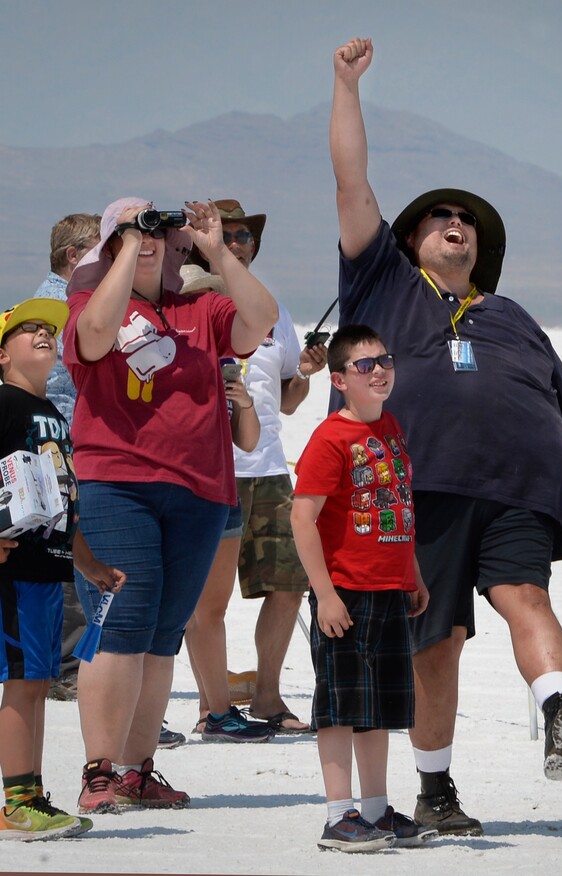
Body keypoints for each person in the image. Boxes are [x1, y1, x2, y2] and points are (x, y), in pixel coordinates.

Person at [329, 37, 562, 836]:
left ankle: (559, 706)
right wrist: (346, 87)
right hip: (422, 490)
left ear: (481, 251)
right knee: (439, 642)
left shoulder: (511, 316)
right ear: (413, 238)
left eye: (467, 222)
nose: (456, 225)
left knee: (527, 595)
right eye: (440, 217)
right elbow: (352, 185)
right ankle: (436, 789)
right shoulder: (383, 282)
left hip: (523, 491)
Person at [62, 197, 278, 815]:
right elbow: (97, 337)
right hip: (117, 484)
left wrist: (214, 249)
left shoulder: (200, 308)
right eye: (128, 232)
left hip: (200, 490)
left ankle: (137, 770)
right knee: (121, 625)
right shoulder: (89, 303)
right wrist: (128, 246)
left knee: (161, 637)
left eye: (156, 230)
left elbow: (258, 320)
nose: (148, 238)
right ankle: (99, 771)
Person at [291, 324, 434, 852]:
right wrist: (324, 594)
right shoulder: (330, 438)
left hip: (390, 586)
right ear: (338, 380)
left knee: (379, 709)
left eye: (385, 361)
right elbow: (302, 519)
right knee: (342, 705)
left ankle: (375, 811)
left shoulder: (391, 427)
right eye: (364, 365)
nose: (379, 371)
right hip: (344, 592)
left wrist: (412, 572)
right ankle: (338, 815)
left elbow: (400, 505)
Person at [190, 199, 327, 735]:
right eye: (227, 234)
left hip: (268, 468)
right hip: (209, 470)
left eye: (245, 236)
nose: (238, 243)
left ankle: (268, 697)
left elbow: (288, 399)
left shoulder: (273, 310)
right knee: (208, 600)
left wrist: (308, 372)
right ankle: (212, 705)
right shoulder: (189, 302)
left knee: (290, 583)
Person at [0, 298, 125, 841]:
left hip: (49, 567)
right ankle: (15, 802)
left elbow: (58, 498)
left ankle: (31, 794)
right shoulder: (3, 404)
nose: (43, 334)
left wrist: (88, 560)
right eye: (28, 330)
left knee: (39, 680)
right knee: (22, 681)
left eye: (49, 328)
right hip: (15, 569)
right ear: (2, 354)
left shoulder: (51, 412)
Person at [179, 263, 273, 743]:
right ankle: (208, 710)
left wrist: (241, 400)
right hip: (184, 491)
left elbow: (249, 442)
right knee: (180, 610)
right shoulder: (173, 357)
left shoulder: (229, 361)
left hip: (223, 488)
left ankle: (215, 711)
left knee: (210, 610)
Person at [32, 213, 101, 704]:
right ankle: (68, 665)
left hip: (57, 445)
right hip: (64, 447)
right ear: (74, 257)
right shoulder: (60, 309)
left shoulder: (47, 304)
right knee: (71, 552)